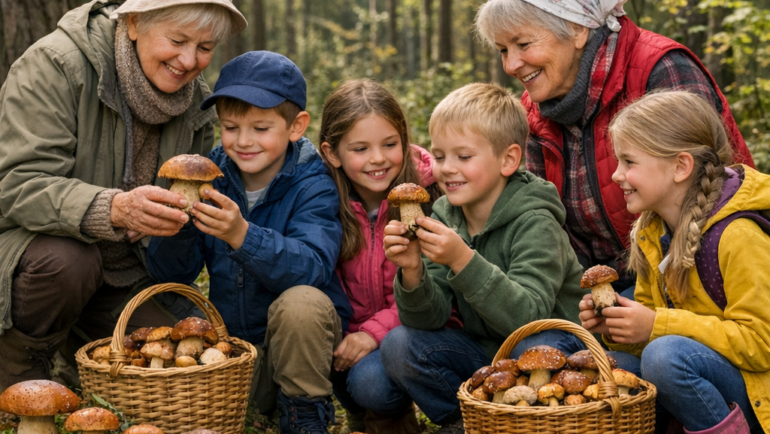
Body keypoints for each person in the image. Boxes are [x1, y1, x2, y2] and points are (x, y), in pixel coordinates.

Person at [0, 0, 247, 390]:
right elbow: (16, 184)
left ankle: (79, 359)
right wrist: (113, 208)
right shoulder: (56, 65)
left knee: (180, 358)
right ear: (133, 24)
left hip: (128, 273)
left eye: (204, 47)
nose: (188, 60)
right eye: (178, 40)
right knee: (69, 263)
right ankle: (20, 359)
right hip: (36, 256)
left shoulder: (196, 105)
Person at [475, 0, 755, 293]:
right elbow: (546, 223)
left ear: (576, 28)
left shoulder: (660, 70)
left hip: (687, 281)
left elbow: (711, 199)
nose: (510, 65)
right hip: (591, 288)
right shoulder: (534, 111)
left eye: (523, 43)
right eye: (503, 50)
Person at [146, 51, 352, 434]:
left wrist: (242, 235)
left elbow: (312, 267)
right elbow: (169, 272)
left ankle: (305, 413)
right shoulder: (209, 175)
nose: (243, 142)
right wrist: (182, 225)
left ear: (296, 126)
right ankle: (247, 407)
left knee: (301, 303)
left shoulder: (312, 184)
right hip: (235, 351)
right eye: (230, 127)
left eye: (260, 128)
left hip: (299, 350)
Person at [381, 83, 586, 433]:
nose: (447, 169)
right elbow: (430, 319)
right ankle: (470, 422)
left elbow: (530, 316)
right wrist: (413, 271)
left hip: (551, 352)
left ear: (508, 160)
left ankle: (522, 425)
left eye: (463, 157)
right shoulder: (445, 214)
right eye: (440, 155)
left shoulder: (535, 220)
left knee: (534, 344)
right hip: (487, 354)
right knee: (400, 344)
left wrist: (462, 259)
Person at [579, 91, 770, 434]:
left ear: (680, 166)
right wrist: (618, 328)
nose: (616, 175)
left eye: (629, 162)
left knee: (666, 357)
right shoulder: (653, 232)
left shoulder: (738, 234)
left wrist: (657, 325)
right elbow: (651, 330)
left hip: (759, 395)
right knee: (612, 365)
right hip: (705, 371)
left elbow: (762, 344)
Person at [318, 79, 444, 434]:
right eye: (360, 148)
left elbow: (437, 285)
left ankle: (391, 415)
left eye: (390, 144)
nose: (378, 158)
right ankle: (363, 416)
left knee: (371, 381)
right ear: (332, 153)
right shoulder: (325, 201)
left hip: (413, 332)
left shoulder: (429, 197)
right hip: (349, 332)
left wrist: (372, 334)